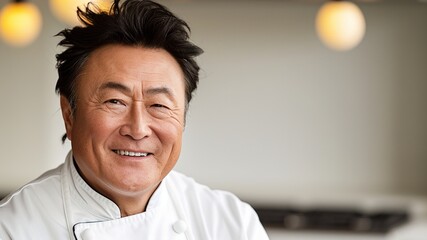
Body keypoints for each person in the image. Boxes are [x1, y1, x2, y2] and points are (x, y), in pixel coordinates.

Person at [0, 0, 269, 239]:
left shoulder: (232, 224)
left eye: (159, 105)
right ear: (69, 115)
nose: (138, 129)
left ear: (183, 118)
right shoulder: (12, 227)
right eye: (115, 102)